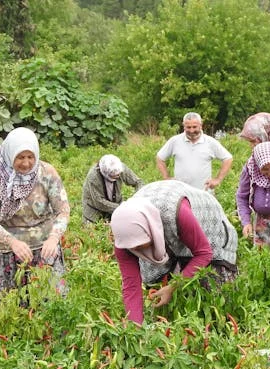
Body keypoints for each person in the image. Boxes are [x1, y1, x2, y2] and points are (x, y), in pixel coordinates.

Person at [110, 180, 238, 324]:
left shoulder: (177, 213)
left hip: (205, 219)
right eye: (132, 248)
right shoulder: (124, 239)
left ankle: (216, 325)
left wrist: (173, 287)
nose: (137, 251)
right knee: (160, 283)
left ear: (150, 230)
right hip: (163, 219)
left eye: (140, 245)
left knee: (211, 285)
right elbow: (131, 285)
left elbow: (204, 253)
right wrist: (134, 329)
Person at [0, 127, 70, 297]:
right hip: (9, 252)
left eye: (30, 157)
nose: (26, 163)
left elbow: (62, 210)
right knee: (13, 307)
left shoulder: (47, 172)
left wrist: (53, 238)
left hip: (44, 249)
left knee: (53, 302)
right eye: (20, 157)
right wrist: (11, 242)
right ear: (10, 154)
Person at [156, 112, 233, 191]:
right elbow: (160, 158)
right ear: (184, 126)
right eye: (188, 127)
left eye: (194, 127)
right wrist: (166, 177)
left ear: (200, 125)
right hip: (181, 193)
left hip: (204, 193)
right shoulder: (175, 141)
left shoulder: (210, 142)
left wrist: (218, 179)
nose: (191, 130)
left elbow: (228, 158)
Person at [82, 154, 143, 224]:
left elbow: (138, 182)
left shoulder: (119, 168)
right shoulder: (93, 178)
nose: (118, 176)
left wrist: (137, 199)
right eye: (114, 176)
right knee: (96, 232)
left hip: (116, 208)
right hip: (94, 213)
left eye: (118, 174)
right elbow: (99, 202)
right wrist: (122, 208)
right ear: (105, 174)